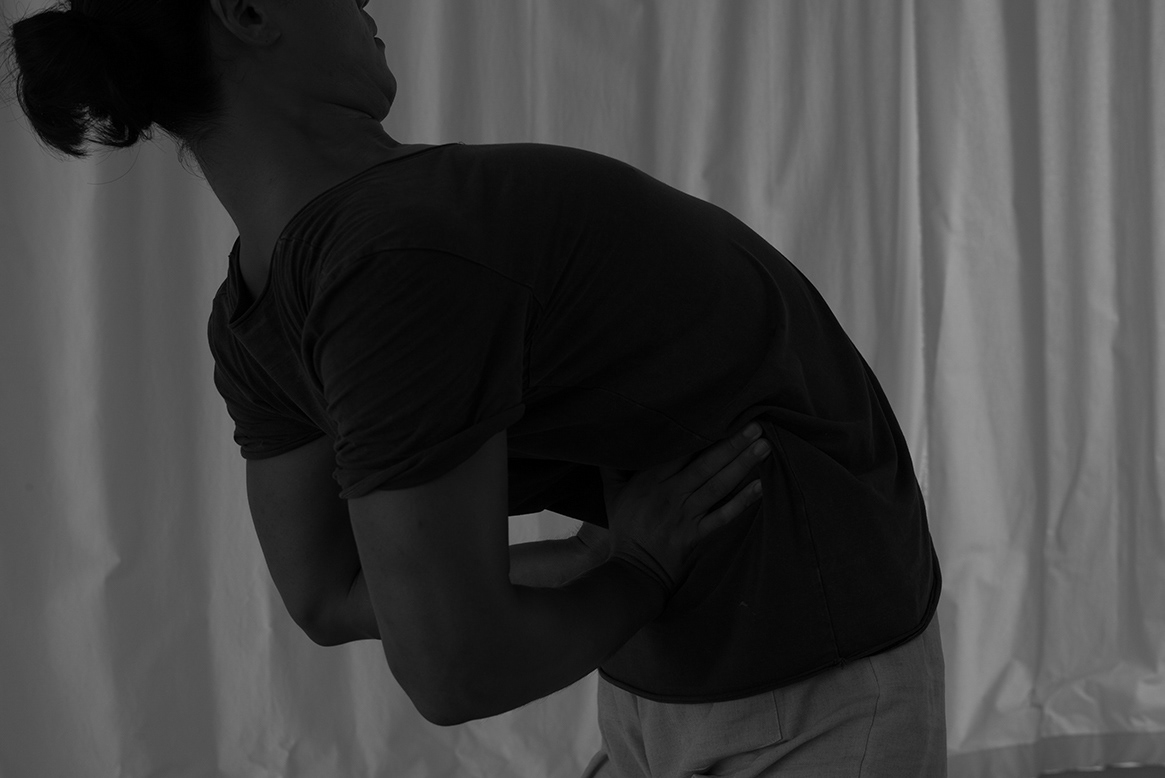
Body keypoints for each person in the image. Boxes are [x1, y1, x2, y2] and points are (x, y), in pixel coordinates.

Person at [1, 1, 947, 775]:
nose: (365, 1)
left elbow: (333, 597)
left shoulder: (271, 300)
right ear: (248, 12)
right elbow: (449, 665)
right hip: (707, 684)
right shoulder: (390, 257)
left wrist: (617, 572)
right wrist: (636, 572)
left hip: (803, 684)